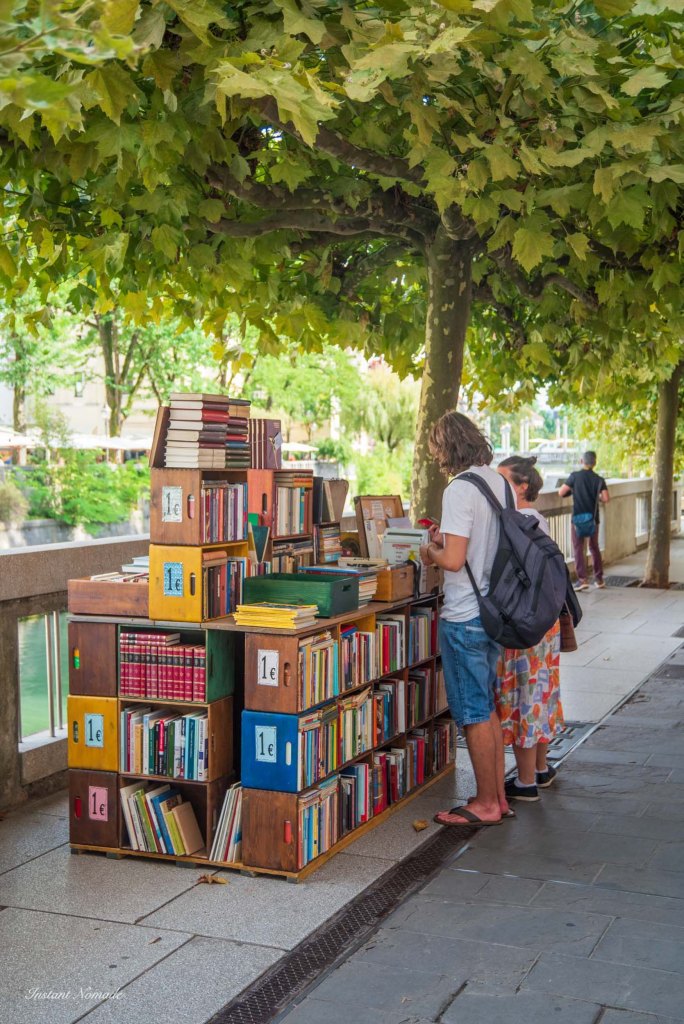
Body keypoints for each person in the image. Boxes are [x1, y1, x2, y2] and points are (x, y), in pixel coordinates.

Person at [420, 411, 513, 828]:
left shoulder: (459, 489)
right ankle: (496, 796)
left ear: (446, 447)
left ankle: (487, 806)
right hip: (494, 611)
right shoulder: (497, 482)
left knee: (472, 710)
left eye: (436, 448)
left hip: (465, 616)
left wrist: (430, 551)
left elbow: (454, 560)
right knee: (487, 707)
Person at [495, 456, 564, 802]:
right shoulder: (539, 520)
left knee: (523, 695)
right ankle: (540, 768)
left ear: (522, 487)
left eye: (503, 480)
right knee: (540, 693)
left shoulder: (517, 522)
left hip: (523, 624)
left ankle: (524, 782)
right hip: (544, 624)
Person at [559, 451, 610, 591]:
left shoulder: (575, 477)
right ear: (595, 463)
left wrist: (574, 491)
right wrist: (596, 497)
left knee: (578, 548)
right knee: (594, 547)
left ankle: (582, 580)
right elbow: (606, 498)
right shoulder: (599, 479)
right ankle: (599, 579)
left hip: (577, 519)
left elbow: (561, 492)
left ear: (582, 461)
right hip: (593, 519)